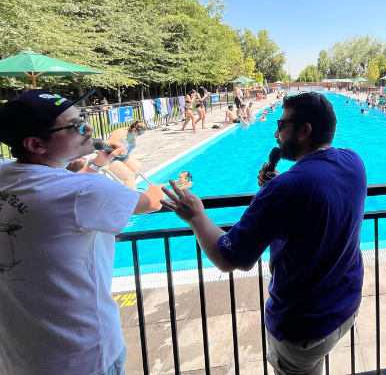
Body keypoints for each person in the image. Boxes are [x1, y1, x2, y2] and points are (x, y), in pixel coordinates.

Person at [160, 93, 366, 375]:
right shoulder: (354, 162)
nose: (276, 133)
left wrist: (196, 215)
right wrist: (280, 184)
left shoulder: (286, 189)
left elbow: (230, 258)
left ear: (304, 131)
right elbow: (316, 197)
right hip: (345, 305)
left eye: (281, 125)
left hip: (303, 326)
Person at [0, 89, 164, 375]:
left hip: (17, 354)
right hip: (84, 354)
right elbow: (150, 202)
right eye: (75, 126)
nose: (89, 128)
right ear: (36, 143)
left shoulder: (5, 174)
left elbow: (56, 186)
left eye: (83, 118)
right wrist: (162, 190)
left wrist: (98, 163)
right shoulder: (87, 191)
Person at [107, 120, 148, 189]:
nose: (139, 136)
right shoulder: (121, 134)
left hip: (123, 157)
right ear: (134, 130)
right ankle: (131, 195)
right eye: (139, 134)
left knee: (138, 167)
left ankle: (125, 188)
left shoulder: (132, 133)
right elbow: (107, 147)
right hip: (111, 159)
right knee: (130, 176)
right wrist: (105, 164)